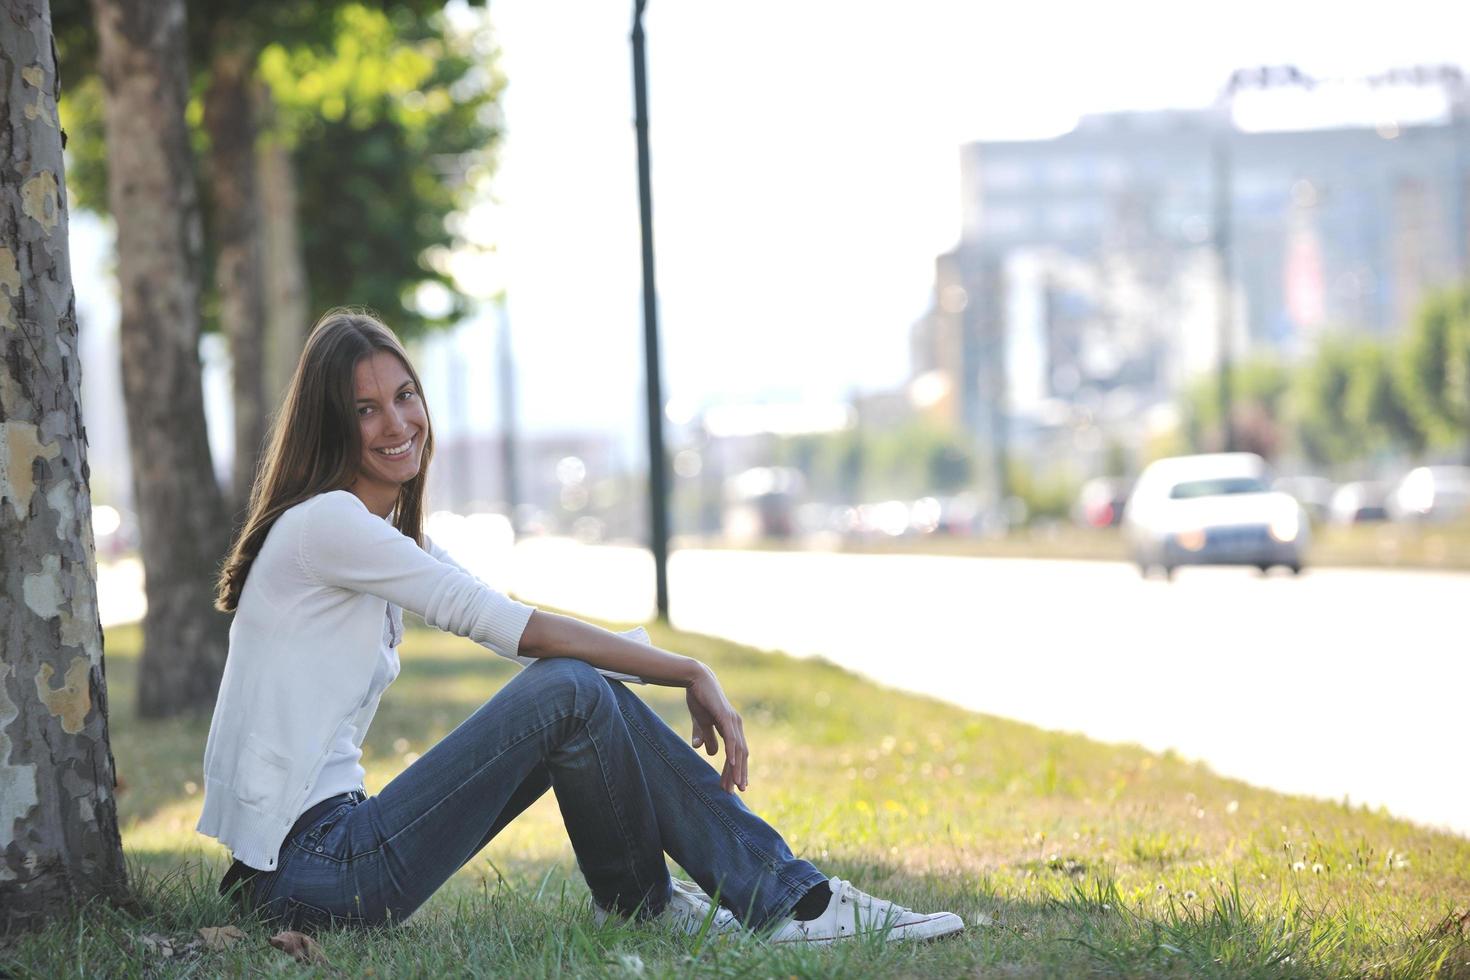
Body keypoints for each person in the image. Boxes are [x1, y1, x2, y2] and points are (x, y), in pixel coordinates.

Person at [199, 308, 964, 943]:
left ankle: (657, 906)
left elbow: (500, 604)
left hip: (315, 859)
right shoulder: (329, 524)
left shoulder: (374, 535)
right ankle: (791, 901)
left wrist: (651, 660)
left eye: (405, 396)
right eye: (365, 409)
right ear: (331, 424)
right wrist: (688, 672)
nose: (397, 423)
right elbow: (506, 627)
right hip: (312, 868)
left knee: (575, 695)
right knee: (565, 689)